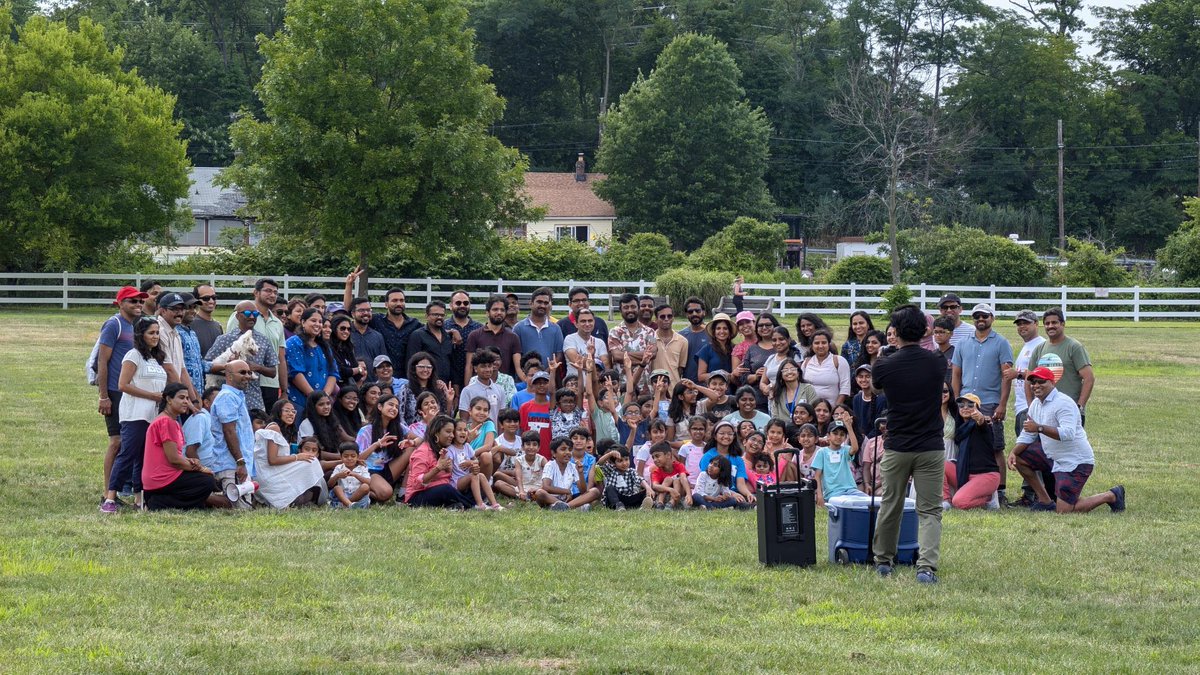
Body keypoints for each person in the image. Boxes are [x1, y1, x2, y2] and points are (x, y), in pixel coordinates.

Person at [870, 304, 948, 584]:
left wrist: (882, 355)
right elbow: (935, 352)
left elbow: (877, 386)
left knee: (891, 503)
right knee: (929, 510)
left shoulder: (886, 365)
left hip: (897, 445)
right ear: (925, 330)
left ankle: (883, 561)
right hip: (930, 445)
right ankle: (926, 567)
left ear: (896, 332)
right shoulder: (937, 362)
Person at [1008, 367, 1125, 514]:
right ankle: (1045, 501)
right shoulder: (1036, 405)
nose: (1036, 385)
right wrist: (1013, 452)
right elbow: (1028, 434)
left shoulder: (1064, 403)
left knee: (1063, 511)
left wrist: (1039, 428)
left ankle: (1112, 495)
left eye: (1041, 381)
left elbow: (1068, 433)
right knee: (1019, 458)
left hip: (1075, 461)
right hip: (1052, 456)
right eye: (1033, 382)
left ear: (1052, 383)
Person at [101, 317, 177, 512]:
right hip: (135, 414)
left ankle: (139, 498)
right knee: (128, 454)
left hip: (153, 416)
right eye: (151, 333)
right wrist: (152, 396)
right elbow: (123, 385)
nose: (155, 336)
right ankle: (110, 498)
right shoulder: (133, 355)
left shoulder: (156, 358)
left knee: (143, 458)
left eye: (157, 333)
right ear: (140, 335)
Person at [951, 303, 1013, 505]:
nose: (980, 319)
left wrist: (1002, 404)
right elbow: (956, 374)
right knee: (964, 444)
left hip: (989, 403)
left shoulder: (1001, 343)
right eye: (977, 315)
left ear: (992, 318)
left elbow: (1006, 376)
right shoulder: (962, 343)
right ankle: (969, 485)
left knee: (995, 447)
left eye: (984, 316)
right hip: (965, 403)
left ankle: (999, 491)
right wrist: (955, 401)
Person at [96, 286, 147, 507]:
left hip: (132, 393)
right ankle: (109, 493)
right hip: (116, 392)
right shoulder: (114, 325)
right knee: (116, 442)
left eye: (140, 302)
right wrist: (103, 396)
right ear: (120, 303)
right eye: (132, 301)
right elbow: (102, 361)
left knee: (131, 442)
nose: (138, 305)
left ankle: (129, 491)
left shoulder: (137, 326)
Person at [141, 383, 220, 511]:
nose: (186, 402)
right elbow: (174, 459)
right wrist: (201, 468)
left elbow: (176, 456)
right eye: (181, 398)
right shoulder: (166, 422)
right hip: (161, 479)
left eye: (187, 398)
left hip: (163, 477)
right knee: (207, 481)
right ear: (169, 400)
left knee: (205, 480)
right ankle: (158, 503)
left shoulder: (172, 421)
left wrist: (191, 462)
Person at [343, 269, 422, 379]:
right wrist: (349, 284)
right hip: (381, 374)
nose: (399, 303)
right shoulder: (377, 320)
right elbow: (350, 310)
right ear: (386, 304)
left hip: (405, 376)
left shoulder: (414, 324)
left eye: (401, 300)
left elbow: (431, 330)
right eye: (394, 301)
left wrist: (449, 331)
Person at [224, 278, 287, 411]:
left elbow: (281, 358)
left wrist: (285, 390)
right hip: (246, 381)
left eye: (275, 292)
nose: (272, 295)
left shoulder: (277, 323)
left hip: (271, 383)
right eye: (268, 291)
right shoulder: (241, 316)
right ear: (256, 293)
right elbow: (230, 348)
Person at [1027, 308, 1094, 426]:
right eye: (1047, 323)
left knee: (1069, 443)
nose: (1050, 326)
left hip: (1068, 410)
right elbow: (1028, 381)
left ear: (1063, 324)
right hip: (1044, 411)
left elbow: (1089, 378)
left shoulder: (1074, 347)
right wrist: (1031, 408)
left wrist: (1080, 406)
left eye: (1054, 322)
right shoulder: (1039, 349)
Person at [206, 301, 278, 411]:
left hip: (253, 399)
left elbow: (273, 372)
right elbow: (207, 365)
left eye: (255, 314)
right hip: (228, 398)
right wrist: (229, 367)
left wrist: (257, 367)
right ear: (237, 316)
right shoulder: (225, 339)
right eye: (248, 313)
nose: (252, 317)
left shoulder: (263, 340)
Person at [254, 403, 327, 508]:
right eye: (287, 410)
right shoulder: (274, 427)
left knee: (310, 461)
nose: (291, 414)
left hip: (274, 470)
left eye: (293, 411)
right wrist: (297, 457)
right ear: (278, 412)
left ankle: (302, 500)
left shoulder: (284, 430)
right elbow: (272, 460)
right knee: (311, 462)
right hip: (267, 474)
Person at [206, 360, 256, 508]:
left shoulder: (236, 396)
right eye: (242, 372)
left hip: (238, 463)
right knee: (240, 510)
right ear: (228, 375)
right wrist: (240, 462)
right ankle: (197, 497)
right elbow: (229, 431)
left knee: (244, 507)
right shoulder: (227, 397)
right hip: (231, 464)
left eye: (249, 372)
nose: (247, 376)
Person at [943, 393, 1002, 510]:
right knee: (939, 464)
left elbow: (981, 422)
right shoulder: (961, 430)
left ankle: (988, 499)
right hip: (965, 474)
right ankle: (945, 501)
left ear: (977, 408)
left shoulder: (982, 425)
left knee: (959, 502)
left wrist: (980, 417)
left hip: (986, 475)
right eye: (961, 405)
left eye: (970, 405)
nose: (965, 408)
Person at [403, 415, 476, 508]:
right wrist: (438, 468)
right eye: (448, 432)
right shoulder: (423, 452)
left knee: (476, 486)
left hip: (445, 490)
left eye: (453, 432)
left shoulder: (446, 449)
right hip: (417, 497)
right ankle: (471, 505)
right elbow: (417, 484)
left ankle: (457, 505)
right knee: (446, 489)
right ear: (436, 433)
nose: (452, 436)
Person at [356, 393, 418, 503]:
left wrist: (411, 442)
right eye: (391, 405)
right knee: (386, 493)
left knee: (412, 449)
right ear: (380, 407)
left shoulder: (398, 427)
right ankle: (358, 492)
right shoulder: (366, 430)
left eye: (396, 407)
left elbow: (421, 439)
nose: (394, 408)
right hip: (368, 470)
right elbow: (358, 459)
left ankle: (402, 493)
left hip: (387, 468)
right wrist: (376, 444)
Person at [285, 307, 336, 416]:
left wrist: (324, 398)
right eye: (313, 320)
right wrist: (315, 397)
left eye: (320, 321)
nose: (317, 324)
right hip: (299, 402)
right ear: (303, 322)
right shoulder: (293, 343)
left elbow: (333, 373)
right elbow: (295, 373)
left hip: (321, 405)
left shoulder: (324, 346)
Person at [447, 418, 502, 510]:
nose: (463, 432)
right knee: (474, 476)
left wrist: (471, 463)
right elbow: (449, 470)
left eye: (465, 430)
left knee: (481, 475)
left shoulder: (467, 446)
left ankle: (495, 504)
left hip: (469, 477)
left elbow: (476, 460)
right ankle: (480, 504)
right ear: (453, 433)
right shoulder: (450, 449)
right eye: (459, 430)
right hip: (456, 482)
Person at [155, 292, 200, 406]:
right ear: (163, 310)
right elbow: (169, 369)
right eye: (175, 309)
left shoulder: (176, 333)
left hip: (174, 394)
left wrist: (194, 400)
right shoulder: (159, 330)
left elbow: (182, 370)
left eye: (182, 309)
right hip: (163, 396)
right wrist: (187, 400)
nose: (180, 313)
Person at [465, 295, 523, 380]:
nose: (499, 312)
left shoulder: (513, 337)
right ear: (487, 313)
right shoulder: (475, 335)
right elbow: (469, 366)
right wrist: (467, 389)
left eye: (502, 310)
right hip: (480, 386)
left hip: (504, 387)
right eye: (495, 309)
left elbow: (518, 368)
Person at [534, 436, 600, 510]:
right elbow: (546, 487)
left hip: (568, 499)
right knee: (540, 493)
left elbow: (583, 491)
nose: (567, 452)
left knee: (594, 491)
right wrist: (567, 491)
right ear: (553, 453)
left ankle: (565, 507)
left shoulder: (573, 466)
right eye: (563, 449)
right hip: (551, 499)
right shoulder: (550, 465)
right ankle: (569, 507)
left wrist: (580, 473)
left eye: (570, 450)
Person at [697, 421, 754, 506]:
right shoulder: (708, 456)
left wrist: (748, 494)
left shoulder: (738, 459)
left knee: (746, 501)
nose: (726, 436)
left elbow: (740, 484)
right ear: (715, 436)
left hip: (731, 494)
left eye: (730, 434)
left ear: (734, 436)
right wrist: (732, 494)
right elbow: (707, 480)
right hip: (713, 494)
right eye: (722, 433)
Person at [513, 287, 563, 384]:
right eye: (539, 302)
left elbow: (558, 355)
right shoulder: (519, 328)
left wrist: (543, 375)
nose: (542, 305)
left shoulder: (556, 328)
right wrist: (526, 376)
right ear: (531, 304)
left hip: (547, 380)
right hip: (525, 380)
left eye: (546, 303)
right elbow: (516, 356)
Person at [608, 293, 657, 387]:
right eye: (626, 307)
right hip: (622, 386)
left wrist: (625, 357)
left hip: (645, 386)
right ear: (620, 310)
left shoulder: (650, 332)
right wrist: (643, 359)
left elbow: (653, 353)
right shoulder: (614, 332)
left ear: (638, 308)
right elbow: (617, 356)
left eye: (633, 307)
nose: (630, 310)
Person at [812, 421, 864, 507]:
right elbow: (817, 476)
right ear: (828, 436)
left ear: (845, 437)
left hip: (851, 490)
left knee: (868, 503)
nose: (839, 437)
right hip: (833, 493)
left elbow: (855, 448)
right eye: (835, 433)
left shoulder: (845, 450)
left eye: (842, 434)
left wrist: (849, 427)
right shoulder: (822, 452)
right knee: (846, 505)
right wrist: (819, 495)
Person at [407, 301, 457, 386]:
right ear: (426, 316)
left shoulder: (448, 337)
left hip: (446, 386)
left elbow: (452, 364)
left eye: (442, 315)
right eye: (435, 314)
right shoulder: (418, 335)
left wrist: (455, 386)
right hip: (426, 386)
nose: (439, 317)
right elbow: (411, 364)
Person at [298, 390, 355, 465]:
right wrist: (341, 456)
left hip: (334, 459)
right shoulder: (307, 424)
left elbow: (347, 438)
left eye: (328, 404)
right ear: (313, 407)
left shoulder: (332, 420)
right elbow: (311, 451)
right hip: (313, 461)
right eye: (321, 404)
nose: (326, 407)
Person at [801, 329, 850, 406]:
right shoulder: (806, 362)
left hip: (832, 409)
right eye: (817, 343)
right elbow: (801, 386)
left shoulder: (839, 361)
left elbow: (845, 388)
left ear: (829, 344)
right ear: (812, 345)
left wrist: (835, 409)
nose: (820, 346)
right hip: (810, 410)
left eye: (824, 342)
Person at [399, 351, 451, 424]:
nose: (425, 370)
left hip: (434, 432)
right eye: (421, 367)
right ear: (414, 368)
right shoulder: (406, 389)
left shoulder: (438, 388)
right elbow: (400, 417)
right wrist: (410, 434)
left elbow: (446, 417)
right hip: (411, 432)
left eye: (429, 367)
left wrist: (449, 400)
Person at [446, 291, 481, 390]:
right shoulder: (443, 327)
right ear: (451, 306)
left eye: (466, 303)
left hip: (474, 379)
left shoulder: (478, 328)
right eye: (458, 303)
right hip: (448, 378)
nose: (462, 306)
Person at [597, 443, 650, 510]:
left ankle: (644, 507)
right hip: (614, 500)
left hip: (628, 498)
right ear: (614, 463)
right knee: (609, 488)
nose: (624, 463)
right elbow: (600, 463)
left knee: (644, 491)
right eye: (620, 461)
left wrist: (648, 487)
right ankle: (618, 506)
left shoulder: (631, 471)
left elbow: (639, 479)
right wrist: (610, 454)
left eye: (626, 459)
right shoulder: (611, 470)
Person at [458, 348, 504, 424]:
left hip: (494, 434)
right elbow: (464, 420)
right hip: (474, 435)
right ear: (475, 368)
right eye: (483, 366)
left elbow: (501, 418)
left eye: (489, 366)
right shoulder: (467, 391)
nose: (487, 369)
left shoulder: (500, 390)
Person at [346, 296, 387, 380]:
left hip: (372, 383)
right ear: (353, 313)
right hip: (350, 382)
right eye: (361, 310)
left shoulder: (377, 336)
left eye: (368, 310)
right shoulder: (346, 333)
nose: (366, 313)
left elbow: (382, 362)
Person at [563, 308, 609, 379]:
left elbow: (605, 365)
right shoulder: (570, 339)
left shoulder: (600, 342)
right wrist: (595, 360)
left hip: (595, 384)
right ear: (576, 324)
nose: (587, 324)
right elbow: (576, 361)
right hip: (574, 384)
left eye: (590, 321)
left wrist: (588, 361)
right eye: (583, 321)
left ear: (594, 322)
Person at [651, 304, 689, 387]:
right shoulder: (650, 339)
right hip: (653, 388)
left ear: (673, 318)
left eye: (669, 316)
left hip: (673, 389)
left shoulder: (683, 341)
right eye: (662, 317)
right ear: (656, 320)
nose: (666, 319)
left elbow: (680, 369)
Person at [518, 370, 554, 457]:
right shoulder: (524, 407)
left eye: (545, 382)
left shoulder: (553, 408)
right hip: (529, 453)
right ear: (533, 385)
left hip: (548, 452)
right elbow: (521, 430)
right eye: (538, 383)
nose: (541, 385)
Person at [504, 431, 547, 501]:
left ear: (539, 447)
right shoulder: (519, 460)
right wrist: (521, 491)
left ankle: (527, 498)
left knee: (541, 493)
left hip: (538, 489)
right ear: (522, 447)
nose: (531, 447)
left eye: (534, 444)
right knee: (499, 484)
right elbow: (518, 477)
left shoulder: (542, 459)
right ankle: (524, 497)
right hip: (523, 487)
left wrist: (539, 489)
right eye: (528, 444)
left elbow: (548, 478)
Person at [649, 443, 693, 509]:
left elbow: (683, 478)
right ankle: (660, 503)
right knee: (668, 479)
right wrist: (670, 490)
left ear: (668, 455)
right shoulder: (656, 470)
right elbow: (655, 486)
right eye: (653, 457)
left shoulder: (679, 465)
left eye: (657, 456)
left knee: (677, 480)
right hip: (666, 495)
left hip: (679, 495)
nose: (655, 460)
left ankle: (671, 504)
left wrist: (689, 494)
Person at [695, 313, 735, 384]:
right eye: (718, 328)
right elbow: (701, 376)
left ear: (729, 331)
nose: (722, 331)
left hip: (732, 390)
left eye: (725, 328)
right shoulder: (706, 349)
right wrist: (720, 374)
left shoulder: (735, 349)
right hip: (713, 390)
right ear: (714, 331)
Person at [328, 443, 371, 509]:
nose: (349, 458)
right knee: (337, 488)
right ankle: (350, 505)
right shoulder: (339, 468)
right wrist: (338, 476)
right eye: (346, 456)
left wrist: (355, 475)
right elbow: (330, 484)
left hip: (358, 496)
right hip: (343, 496)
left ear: (358, 456)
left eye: (353, 456)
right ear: (341, 457)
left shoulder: (362, 468)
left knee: (365, 487)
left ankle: (347, 504)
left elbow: (368, 482)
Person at [677, 297, 710, 383]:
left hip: (709, 384)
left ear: (704, 312)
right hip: (687, 384)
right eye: (690, 311)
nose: (694, 313)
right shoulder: (680, 336)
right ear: (686, 314)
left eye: (697, 311)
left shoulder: (712, 334)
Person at [850, 365, 887, 440]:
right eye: (861, 376)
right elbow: (857, 423)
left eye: (867, 376)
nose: (864, 380)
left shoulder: (881, 398)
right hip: (861, 439)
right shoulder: (857, 398)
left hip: (876, 440)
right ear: (856, 379)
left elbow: (879, 426)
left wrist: (866, 439)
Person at [328, 314, 366, 387]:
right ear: (334, 328)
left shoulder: (348, 349)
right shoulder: (329, 347)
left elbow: (358, 376)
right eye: (342, 328)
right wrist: (358, 369)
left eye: (349, 329)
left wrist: (354, 371)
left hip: (348, 389)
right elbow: (340, 371)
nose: (346, 331)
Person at [190, 284, 224, 356]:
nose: (211, 301)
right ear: (196, 300)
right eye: (206, 298)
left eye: (214, 297)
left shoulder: (218, 326)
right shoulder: (190, 325)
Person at [931, 316, 956, 385]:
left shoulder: (955, 354)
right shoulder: (932, 355)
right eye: (935, 332)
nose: (938, 335)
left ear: (951, 334)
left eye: (942, 332)